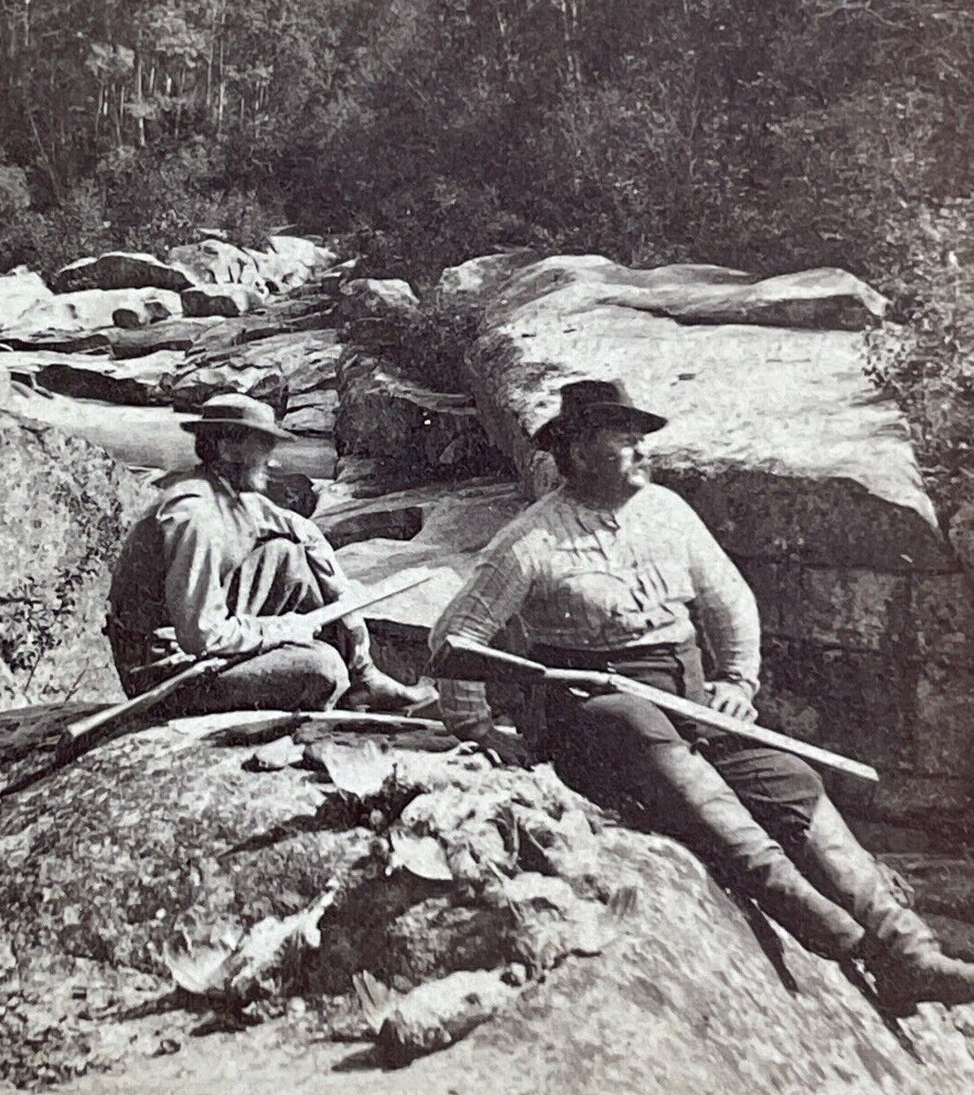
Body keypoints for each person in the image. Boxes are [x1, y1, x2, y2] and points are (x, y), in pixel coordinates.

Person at [428, 377, 974, 1009]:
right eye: (624, 442)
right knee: (633, 726)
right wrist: (477, 727)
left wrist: (738, 681)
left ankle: (908, 950)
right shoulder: (531, 540)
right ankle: (806, 912)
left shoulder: (667, 512)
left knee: (789, 775)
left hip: (690, 701)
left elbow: (730, 600)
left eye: (641, 441)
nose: (642, 453)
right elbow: (456, 638)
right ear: (577, 453)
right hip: (593, 711)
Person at [107, 393, 419, 716]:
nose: (273, 460)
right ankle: (345, 682)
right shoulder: (196, 518)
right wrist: (283, 630)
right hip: (165, 669)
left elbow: (305, 533)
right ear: (228, 447)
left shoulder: (227, 493)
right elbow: (202, 635)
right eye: (264, 446)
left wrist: (347, 611)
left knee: (290, 558)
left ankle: (364, 679)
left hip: (192, 637)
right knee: (324, 669)